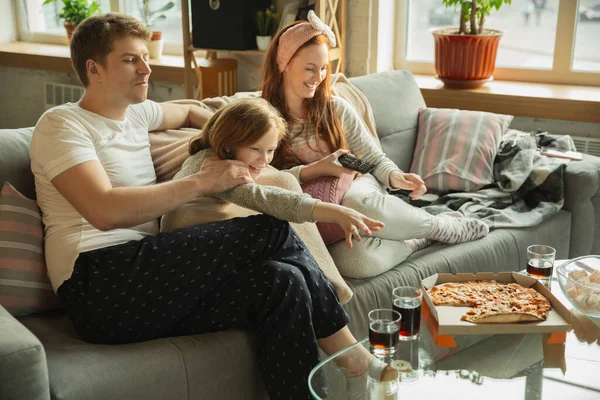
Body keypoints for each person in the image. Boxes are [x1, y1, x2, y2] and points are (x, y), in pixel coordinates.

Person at [29, 13, 389, 399]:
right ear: (93, 68)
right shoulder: (62, 125)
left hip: (148, 281)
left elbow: (187, 112)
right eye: (131, 59)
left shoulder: (138, 113)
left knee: (284, 282)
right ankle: (355, 361)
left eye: (146, 56)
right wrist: (202, 181)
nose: (147, 68)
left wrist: (231, 136)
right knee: (270, 229)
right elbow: (104, 211)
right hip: (98, 283)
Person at [260, 11, 490, 278]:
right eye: (310, 68)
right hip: (313, 213)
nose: (318, 77)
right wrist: (315, 169)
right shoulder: (264, 118)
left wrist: (395, 176)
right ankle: (416, 241)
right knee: (355, 263)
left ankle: (437, 226)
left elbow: (371, 160)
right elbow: (264, 182)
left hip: (356, 185)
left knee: (358, 202)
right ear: (283, 64)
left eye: (324, 69)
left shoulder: (335, 108)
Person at [161, 97, 384, 250]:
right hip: (187, 245)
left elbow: (272, 175)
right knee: (278, 225)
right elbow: (264, 197)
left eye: (271, 150)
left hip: (206, 237)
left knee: (283, 182)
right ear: (229, 144)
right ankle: (330, 286)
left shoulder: (233, 157)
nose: (265, 159)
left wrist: (318, 168)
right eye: (256, 149)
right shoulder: (216, 167)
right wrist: (336, 212)